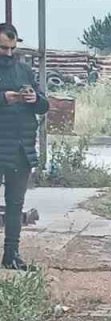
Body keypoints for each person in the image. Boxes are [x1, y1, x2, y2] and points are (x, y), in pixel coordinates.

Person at [0, 23, 47, 271]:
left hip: (20, 150)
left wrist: (34, 99)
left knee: (16, 205)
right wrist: (3, 98)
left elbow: (44, 104)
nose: (7, 53)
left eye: (11, 47)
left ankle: (11, 255)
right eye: (2, 48)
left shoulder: (24, 71)